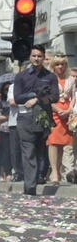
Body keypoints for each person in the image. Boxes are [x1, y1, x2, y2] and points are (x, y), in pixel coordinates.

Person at [13, 44, 59, 196]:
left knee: (40, 151)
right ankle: (30, 186)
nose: (36, 59)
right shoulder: (21, 76)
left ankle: (36, 177)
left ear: (43, 57)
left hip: (43, 118)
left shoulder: (50, 77)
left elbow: (55, 97)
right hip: (25, 118)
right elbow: (18, 97)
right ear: (30, 57)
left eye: (39, 56)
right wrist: (32, 96)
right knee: (28, 151)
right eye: (34, 56)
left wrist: (38, 100)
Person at [46, 54, 74, 183]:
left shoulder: (71, 79)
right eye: (57, 64)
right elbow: (47, 97)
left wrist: (69, 109)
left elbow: (74, 96)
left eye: (62, 64)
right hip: (54, 111)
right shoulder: (49, 79)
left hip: (67, 112)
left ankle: (58, 169)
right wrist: (58, 109)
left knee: (64, 144)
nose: (60, 67)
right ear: (53, 66)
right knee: (53, 142)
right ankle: (54, 172)